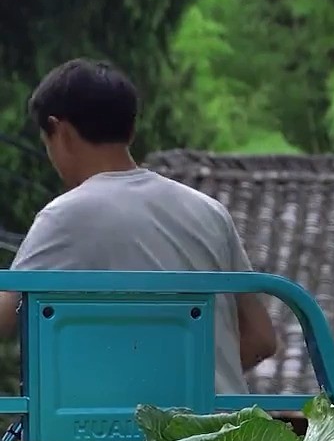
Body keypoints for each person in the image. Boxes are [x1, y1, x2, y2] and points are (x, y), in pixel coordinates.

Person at [0, 59, 276, 390]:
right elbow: (261, 338)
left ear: (62, 132)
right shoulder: (209, 211)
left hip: (131, 436)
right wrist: (187, 383)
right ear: (130, 131)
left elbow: (3, 321)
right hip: (227, 431)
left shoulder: (65, 215)